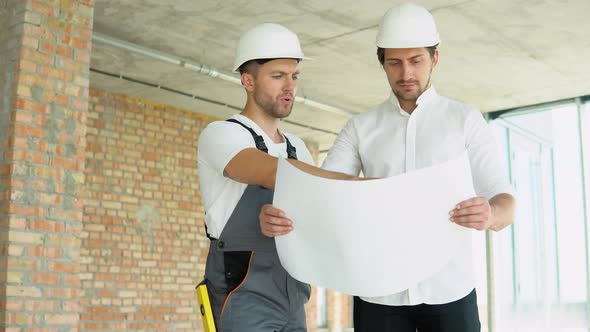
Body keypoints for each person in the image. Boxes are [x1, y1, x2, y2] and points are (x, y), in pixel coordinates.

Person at [259, 3, 515, 332]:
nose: (406, 73)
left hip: (450, 291)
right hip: (378, 296)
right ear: (382, 63)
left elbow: (504, 198)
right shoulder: (360, 128)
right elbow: (324, 192)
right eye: (394, 62)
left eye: (416, 60)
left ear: (435, 58)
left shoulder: (465, 121)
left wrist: (491, 214)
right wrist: (281, 213)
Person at [197, 23, 357, 332]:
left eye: (294, 76)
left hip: (292, 294)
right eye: (277, 76)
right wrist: (351, 184)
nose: (290, 87)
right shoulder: (221, 134)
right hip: (242, 293)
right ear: (248, 81)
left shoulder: (297, 147)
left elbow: (315, 215)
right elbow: (269, 170)